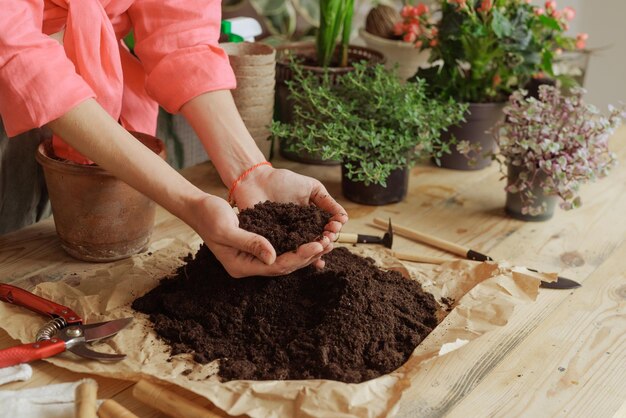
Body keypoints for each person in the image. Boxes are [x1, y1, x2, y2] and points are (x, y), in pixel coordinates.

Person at [0, 0, 347, 277]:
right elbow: (18, 58)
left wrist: (252, 172)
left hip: (87, 89)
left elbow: (180, 26)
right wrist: (192, 206)